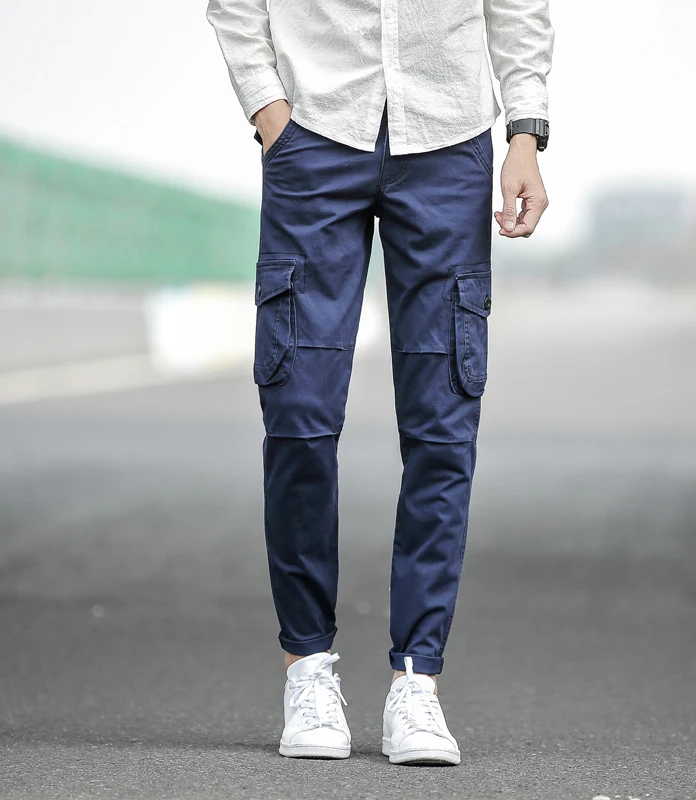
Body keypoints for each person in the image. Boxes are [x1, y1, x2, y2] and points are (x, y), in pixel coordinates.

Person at [206, 0, 553, 766]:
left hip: (450, 140)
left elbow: (519, 7)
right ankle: (307, 667)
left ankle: (417, 682)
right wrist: (269, 112)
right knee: (298, 411)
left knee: (442, 425)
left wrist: (525, 133)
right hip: (314, 134)